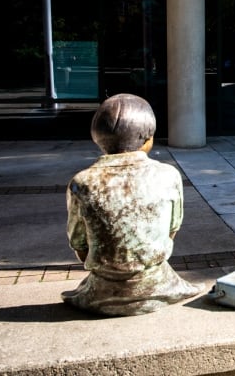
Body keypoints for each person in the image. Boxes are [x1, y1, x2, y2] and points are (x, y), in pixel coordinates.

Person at [62, 93, 202, 316]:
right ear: (148, 139)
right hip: (159, 284)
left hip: (101, 292)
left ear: (97, 138)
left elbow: (78, 243)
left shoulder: (81, 183)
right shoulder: (168, 176)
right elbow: (171, 230)